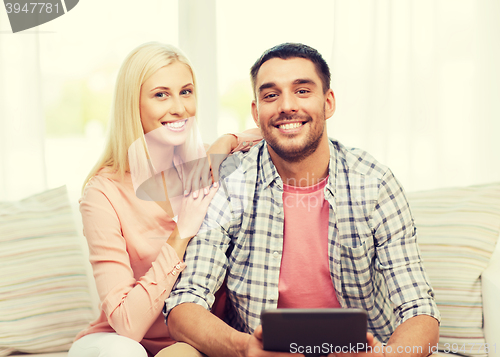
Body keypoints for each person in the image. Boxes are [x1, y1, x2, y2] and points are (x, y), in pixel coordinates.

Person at [163, 43, 441, 357]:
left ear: (328, 102)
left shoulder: (374, 183)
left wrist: (385, 356)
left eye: (302, 91)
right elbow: (184, 304)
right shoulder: (230, 183)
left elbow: (420, 310)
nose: (286, 106)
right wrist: (245, 349)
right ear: (256, 113)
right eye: (270, 95)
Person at [68, 42, 261, 357]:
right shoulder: (103, 192)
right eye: (161, 94)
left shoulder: (207, 164)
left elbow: (277, 131)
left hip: (189, 340)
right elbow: (127, 324)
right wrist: (181, 233)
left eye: (186, 92)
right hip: (118, 342)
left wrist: (229, 140)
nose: (179, 108)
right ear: (133, 104)